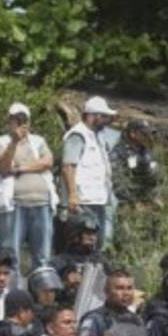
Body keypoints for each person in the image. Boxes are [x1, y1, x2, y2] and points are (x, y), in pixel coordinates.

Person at [0, 103, 57, 271]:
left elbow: (48, 162)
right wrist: (14, 142)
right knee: (11, 256)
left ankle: (40, 285)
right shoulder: (0, 142)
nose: (20, 123)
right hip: (14, 205)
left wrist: (20, 168)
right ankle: (12, 287)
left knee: (43, 256)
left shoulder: (39, 141)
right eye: (16, 119)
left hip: (42, 202)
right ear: (9, 121)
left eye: (23, 119)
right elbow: (4, 168)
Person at [62, 97, 117, 249]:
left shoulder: (97, 136)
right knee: (82, 244)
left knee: (97, 244)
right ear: (94, 116)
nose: (107, 120)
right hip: (83, 201)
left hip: (97, 200)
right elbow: (68, 166)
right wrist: (72, 195)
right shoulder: (77, 135)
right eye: (104, 116)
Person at [109, 119, 163, 239]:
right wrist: (133, 203)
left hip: (149, 204)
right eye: (144, 134)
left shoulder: (148, 153)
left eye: (149, 134)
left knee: (152, 239)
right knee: (127, 240)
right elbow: (117, 181)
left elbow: (157, 178)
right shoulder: (119, 153)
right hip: (129, 206)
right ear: (133, 134)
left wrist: (156, 197)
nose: (148, 137)